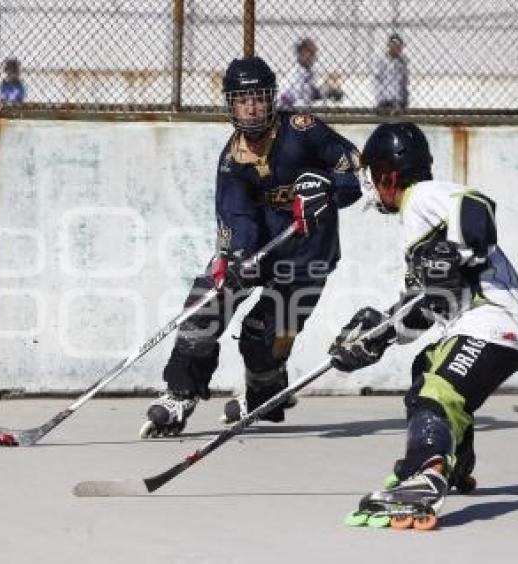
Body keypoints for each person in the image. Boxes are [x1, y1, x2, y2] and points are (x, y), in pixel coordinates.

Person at [139, 56, 363, 438]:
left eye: (259, 98)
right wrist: (234, 257)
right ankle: (181, 392)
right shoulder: (232, 162)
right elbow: (236, 217)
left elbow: (354, 168)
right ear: (231, 104)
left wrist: (325, 187)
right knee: (206, 302)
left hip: (307, 257)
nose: (252, 107)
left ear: (272, 99)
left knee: (264, 336)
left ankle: (265, 396)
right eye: (243, 99)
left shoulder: (302, 130)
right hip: (261, 250)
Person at [328, 122, 518, 529]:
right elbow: (426, 306)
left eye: (371, 174)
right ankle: (453, 461)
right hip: (479, 323)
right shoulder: (415, 223)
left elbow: (475, 205)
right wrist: (380, 335)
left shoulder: (422, 196)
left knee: (436, 392)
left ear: (388, 175)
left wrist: (456, 251)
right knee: (425, 367)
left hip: (494, 319)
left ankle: (428, 472)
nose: (369, 186)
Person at [278, 38, 343, 110]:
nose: (312, 56)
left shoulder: (309, 72)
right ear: (300, 53)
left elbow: (311, 93)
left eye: (313, 53)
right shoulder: (295, 75)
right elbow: (287, 99)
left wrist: (329, 92)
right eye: (309, 52)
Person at [374, 33, 410, 111]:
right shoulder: (382, 60)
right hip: (383, 97)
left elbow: (404, 82)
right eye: (395, 45)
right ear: (389, 45)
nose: (398, 48)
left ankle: (395, 104)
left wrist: (404, 98)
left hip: (398, 98)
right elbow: (378, 80)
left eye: (399, 46)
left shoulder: (402, 62)